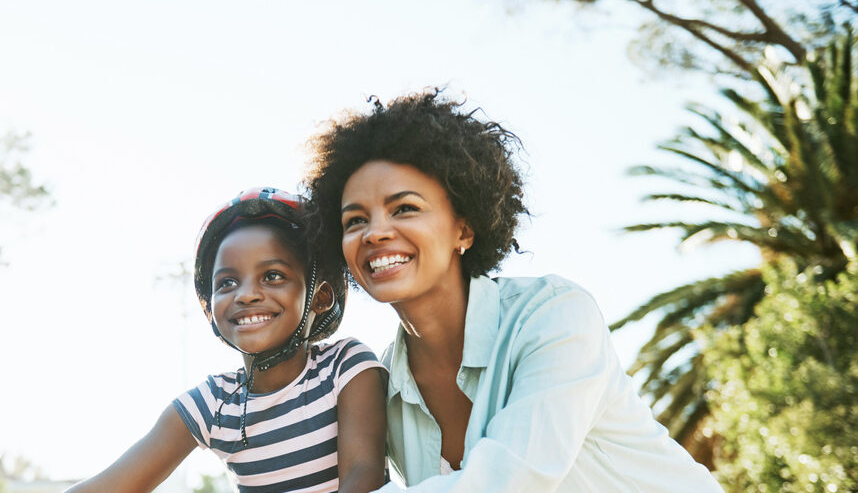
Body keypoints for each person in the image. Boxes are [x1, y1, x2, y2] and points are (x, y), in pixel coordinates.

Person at [303, 92, 723, 492]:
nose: (375, 232)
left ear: (463, 229)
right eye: (355, 221)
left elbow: (512, 481)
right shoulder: (383, 385)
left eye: (405, 208)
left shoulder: (553, 317)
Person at [67, 187, 388, 493]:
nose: (246, 294)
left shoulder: (345, 366)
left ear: (319, 298)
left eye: (273, 276)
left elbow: (363, 473)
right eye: (228, 282)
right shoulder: (214, 403)